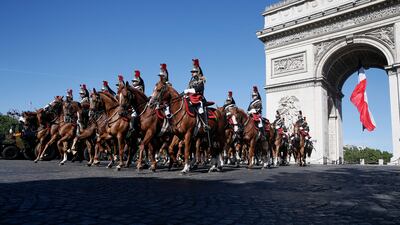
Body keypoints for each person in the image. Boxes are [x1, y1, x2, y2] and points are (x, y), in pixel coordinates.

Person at [184, 59, 209, 130]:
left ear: (197, 72)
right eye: (192, 72)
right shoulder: (191, 81)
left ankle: (205, 124)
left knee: (199, 107)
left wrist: (188, 90)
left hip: (198, 97)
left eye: (194, 72)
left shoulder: (200, 80)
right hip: (190, 97)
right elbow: (188, 89)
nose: (192, 73)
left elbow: (198, 89)